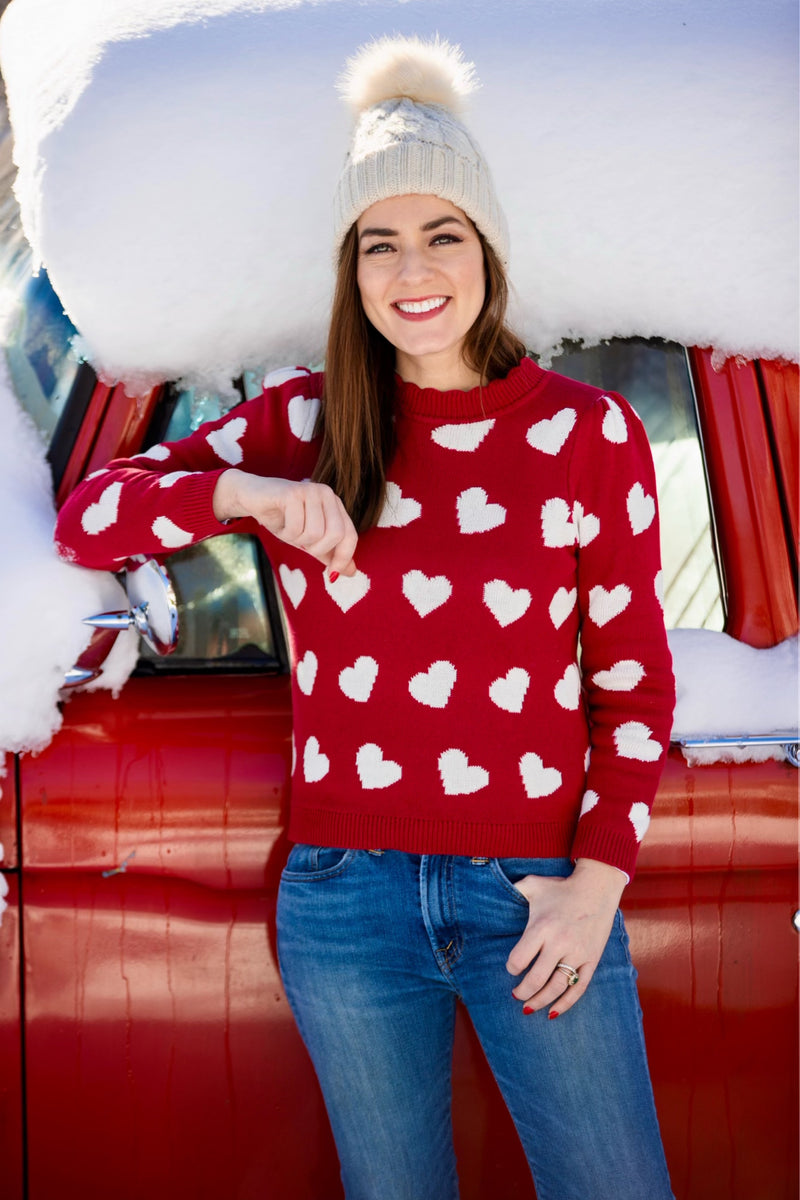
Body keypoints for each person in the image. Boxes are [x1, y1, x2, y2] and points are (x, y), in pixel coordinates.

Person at [55, 35, 676, 1200]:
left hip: (530, 890)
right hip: (346, 897)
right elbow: (93, 519)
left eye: (440, 233)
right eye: (377, 244)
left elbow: (633, 686)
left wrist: (596, 881)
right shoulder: (304, 425)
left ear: (485, 246)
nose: (411, 270)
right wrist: (243, 496)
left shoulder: (585, 437)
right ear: (349, 271)